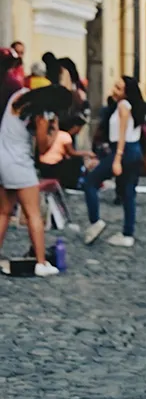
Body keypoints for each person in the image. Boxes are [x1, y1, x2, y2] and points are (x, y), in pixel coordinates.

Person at [0, 85, 73, 276]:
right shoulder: (41, 115)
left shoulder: (19, 96)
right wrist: (54, 130)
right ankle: (41, 263)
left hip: (3, 159)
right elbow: (43, 149)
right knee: (34, 214)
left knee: (4, 213)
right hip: (20, 163)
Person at [83, 76, 145, 247]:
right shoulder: (129, 106)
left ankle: (95, 221)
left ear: (126, 92)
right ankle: (127, 233)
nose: (114, 89)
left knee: (90, 183)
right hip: (133, 150)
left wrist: (117, 158)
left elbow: (122, 134)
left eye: (119, 88)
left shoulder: (123, 106)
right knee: (128, 192)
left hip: (123, 150)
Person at [38, 115, 95, 189]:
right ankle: (73, 184)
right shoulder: (65, 136)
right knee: (77, 161)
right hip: (54, 166)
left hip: (43, 165)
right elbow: (72, 153)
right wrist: (87, 153)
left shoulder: (49, 135)